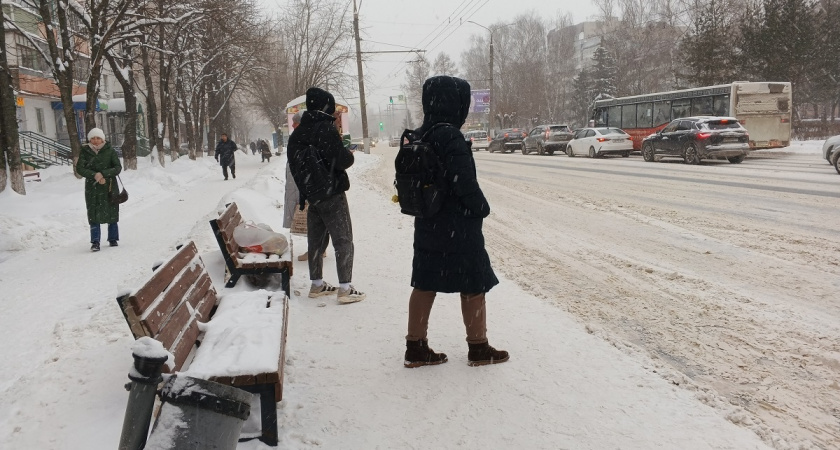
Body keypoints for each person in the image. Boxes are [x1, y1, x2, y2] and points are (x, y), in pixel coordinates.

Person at [403, 75, 509, 368]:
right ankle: (478, 347)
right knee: (474, 283)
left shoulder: (421, 134)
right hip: (458, 227)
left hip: (429, 222)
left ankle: (415, 347)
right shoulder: (450, 136)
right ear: (456, 103)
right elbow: (465, 184)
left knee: (424, 283)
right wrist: (482, 208)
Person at [287, 87, 364, 304]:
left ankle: (317, 284)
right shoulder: (325, 129)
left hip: (312, 195)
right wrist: (347, 153)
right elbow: (342, 161)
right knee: (343, 240)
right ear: (325, 107)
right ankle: (345, 288)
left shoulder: (298, 134)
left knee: (316, 241)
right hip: (332, 193)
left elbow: (295, 167)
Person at [75, 127, 122, 252]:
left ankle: (113, 238)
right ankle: (95, 241)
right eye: (93, 138)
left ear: (102, 139)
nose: (95, 141)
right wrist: (94, 175)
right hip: (93, 187)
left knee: (111, 211)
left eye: (98, 138)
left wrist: (104, 173)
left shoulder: (110, 150)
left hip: (109, 186)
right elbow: (80, 168)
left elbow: (117, 167)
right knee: (93, 214)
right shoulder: (85, 151)